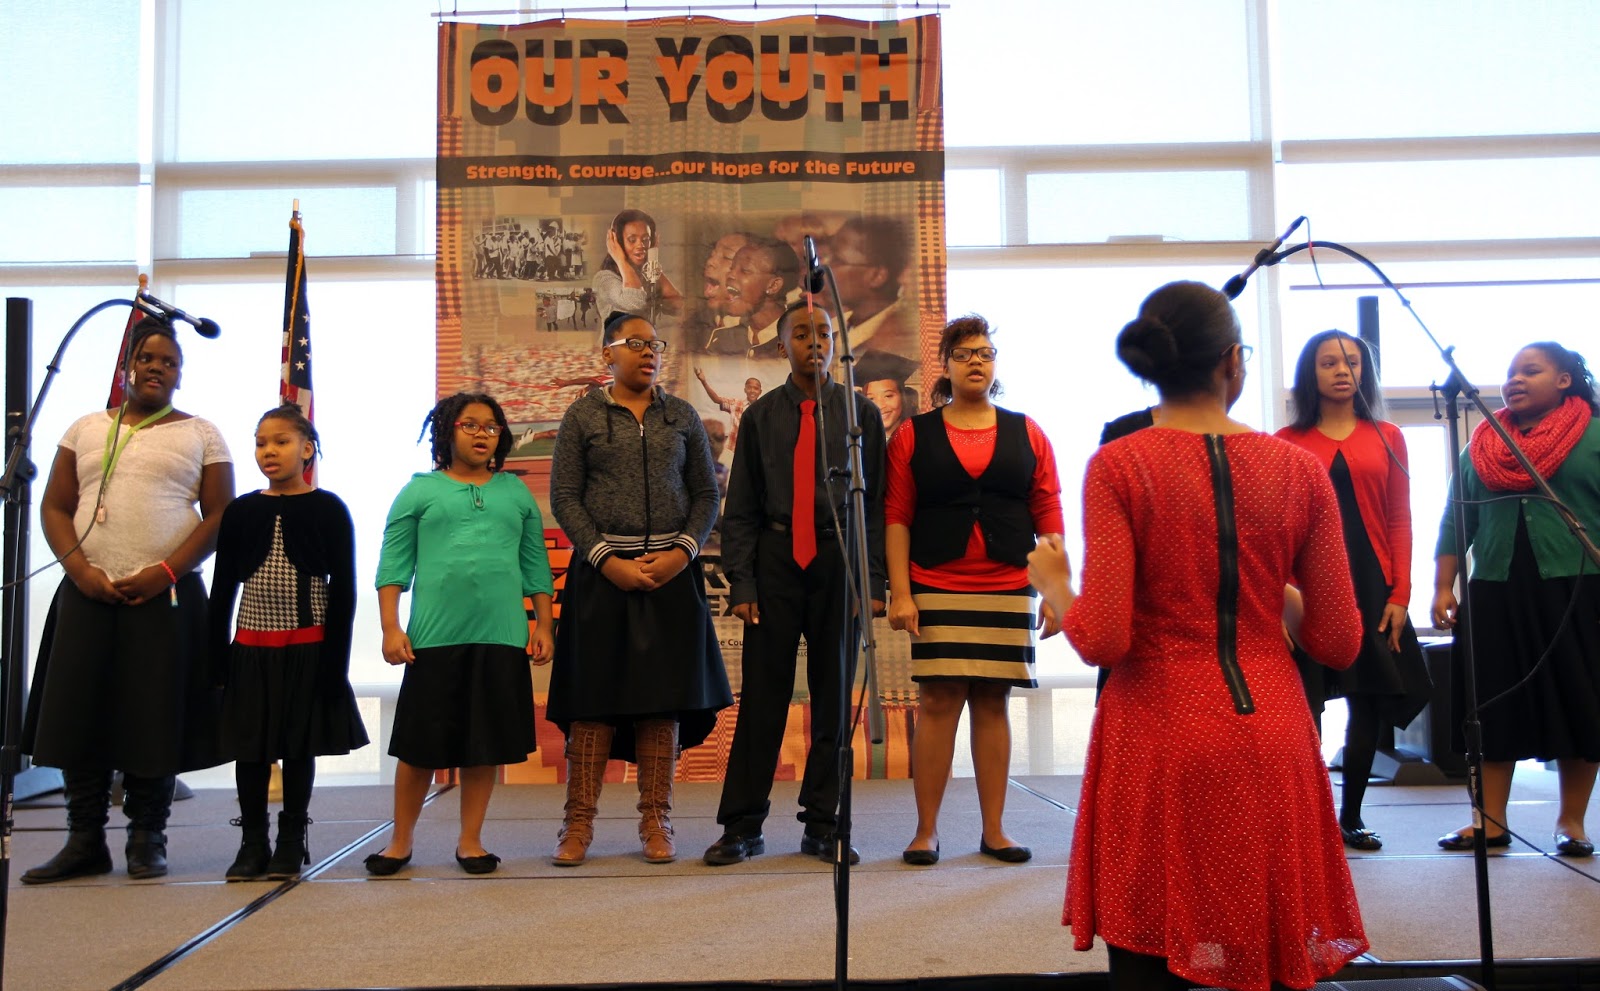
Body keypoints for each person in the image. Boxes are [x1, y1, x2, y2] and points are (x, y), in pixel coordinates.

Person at [1028, 281, 1367, 991]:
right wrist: (1268, 584)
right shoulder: (1299, 470)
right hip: (1273, 730)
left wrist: (1057, 585)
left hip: (1159, 735)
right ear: (1232, 362)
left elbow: (1107, 637)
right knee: (1267, 951)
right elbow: (1339, 641)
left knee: (1154, 953)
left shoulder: (1121, 465)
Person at [21, 317, 235, 884]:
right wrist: (80, 570)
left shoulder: (201, 433)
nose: (157, 367)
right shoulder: (85, 427)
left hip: (165, 595)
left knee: (153, 714)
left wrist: (166, 570)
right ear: (127, 366)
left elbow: (220, 516)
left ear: (179, 375)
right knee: (78, 712)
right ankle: (84, 839)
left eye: (169, 361)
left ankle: (148, 838)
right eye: (148, 358)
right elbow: (55, 507)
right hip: (88, 589)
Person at [546, 313, 733, 866]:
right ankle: (577, 825)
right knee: (592, 703)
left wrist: (682, 553)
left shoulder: (681, 417)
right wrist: (606, 559)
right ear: (608, 354)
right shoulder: (582, 416)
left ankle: (657, 820)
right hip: (602, 575)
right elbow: (565, 498)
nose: (648, 353)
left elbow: (706, 494)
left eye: (655, 345)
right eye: (635, 344)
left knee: (662, 704)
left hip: (672, 574)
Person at [704, 304, 887, 866]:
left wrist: (872, 578)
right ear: (782, 346)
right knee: (764, 700)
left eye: (824, 334)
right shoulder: (761, 417)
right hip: (777, 560)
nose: (815, 343)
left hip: (839, 564)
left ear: (837, 343)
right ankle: (742, 825)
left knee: (833, 701)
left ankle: (825, 824)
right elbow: (741, 509)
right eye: (802, 334)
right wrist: (743, 582)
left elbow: (876, 506)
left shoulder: (860, 415)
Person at [885, 316, 1063, 866]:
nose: (976, 362)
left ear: (995, 363)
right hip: (936, 583)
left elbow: (1049, 512)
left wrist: (1057, 592)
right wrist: (900, 592)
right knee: (937, 701)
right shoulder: (913, 433)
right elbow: (896, 516)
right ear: (946, 364)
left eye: (984, 353)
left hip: (1009, 584)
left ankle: (995, 830)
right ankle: (926, 832)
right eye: (963, 354)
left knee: (993, 699)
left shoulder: (1028, 431)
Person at [365, 392, 555, 876]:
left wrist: (544, 625)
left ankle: (471, 841)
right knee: (418, 746)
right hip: (433, 639)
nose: (481, 434)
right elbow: (393, 566)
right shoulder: (419, 491)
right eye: (469, 425)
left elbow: (535, 565)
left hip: (502, 637)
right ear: (447, 432)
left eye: (490, 427)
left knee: (484, 745)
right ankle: (400, 842)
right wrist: (391, 627)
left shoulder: (514, 494)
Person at [1433, 341, 1600, 858]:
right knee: (1490, 703)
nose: (1515, 379)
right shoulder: (1483, 444)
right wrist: (1443, 585)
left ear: (1566, 380)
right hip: (1495, 588)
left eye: (1532, 370)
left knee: (1581, 700)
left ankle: (1571, 821)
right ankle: (1489, 821)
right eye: (1510, 372)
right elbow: (1456, 518)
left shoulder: (1595, 437)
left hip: (1578, 585)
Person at [1277, 331, 1431, 852]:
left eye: (1352, 362)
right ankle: (1308, 817)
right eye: (1328, 362)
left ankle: (1352, 816)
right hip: (1306, 585)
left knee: (1369, 699)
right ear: (1310, 373)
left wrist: (1401, 594)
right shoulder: (1285, 440)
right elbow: (1275, 527)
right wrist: (1282, 596)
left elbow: (1401, 518)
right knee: (1306, 704)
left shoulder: (1389, 434)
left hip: (1372, 583)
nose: (1343, 370)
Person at [207, 404, 368, 881]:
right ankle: (252, 840)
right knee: (251, 750)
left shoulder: (328, 508)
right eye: (260, 442)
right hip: (251, 648)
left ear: (307, 448)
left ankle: (292, 839)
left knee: (299, 746)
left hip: (308, 647)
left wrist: (334, 667)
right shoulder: (241, 511)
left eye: (280, 441)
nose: (268, 451)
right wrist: (217, 661)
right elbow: (222, 590)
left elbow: (344, 590)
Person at [825, 215, 916, 359]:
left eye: (837, 260)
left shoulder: (894, 344)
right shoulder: (838, 328)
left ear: (877, 276)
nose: (825, 269)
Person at [705, 237, 800, 357]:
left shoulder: (799, 342)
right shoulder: (721, 340)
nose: (730, 275)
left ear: (773, 286)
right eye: (732, 268)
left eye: (745, 271)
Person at [593, 209, 681, 328]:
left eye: (646, 239)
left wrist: (652, 260)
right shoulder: (604, 279)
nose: (640, 245)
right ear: (618, 242)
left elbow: (679, 306)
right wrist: (620, 259)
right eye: (632, 240)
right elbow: (635, 300)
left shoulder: (647, 274)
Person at [693, 368, 762, 451]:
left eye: (756, 388)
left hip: (752, 451)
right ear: (745, 390)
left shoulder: (764, 409)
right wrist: (704, 382)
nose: (752, 391)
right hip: (733, 450)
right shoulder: (736, 404)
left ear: (760, 391)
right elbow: (716, 399)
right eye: (749, 387)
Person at [856, 349, 918, 437]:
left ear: (903, 396)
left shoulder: (919, 438)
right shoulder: (860, 444)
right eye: (871, 399)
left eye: (888, 396)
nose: (880, 405)